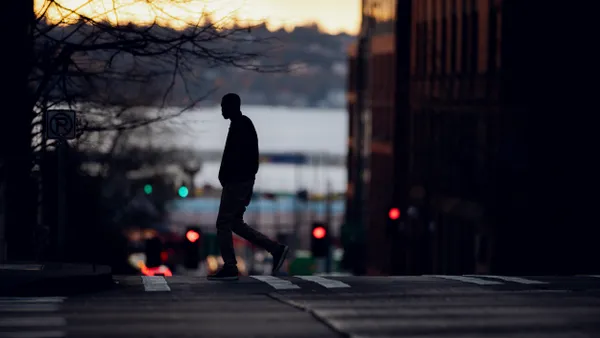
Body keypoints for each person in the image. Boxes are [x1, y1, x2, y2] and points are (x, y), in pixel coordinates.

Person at [208, 93, 289, 281]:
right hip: (238, 182)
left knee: (223, 223)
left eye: (224, 106)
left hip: (237, 183)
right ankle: (275, 249)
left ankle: (230, 266)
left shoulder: (241, 125)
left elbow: (244, 159)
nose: (221, 110)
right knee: (235, 223)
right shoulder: (240, 125)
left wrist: (233, 179)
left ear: (232, 106)